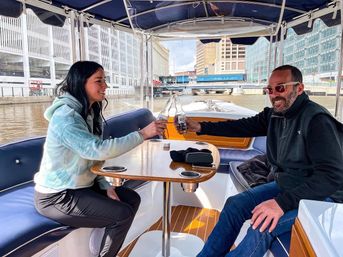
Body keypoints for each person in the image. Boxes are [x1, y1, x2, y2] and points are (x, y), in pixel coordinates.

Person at [185, 65, 343, 257]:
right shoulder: (275, 115)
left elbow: (331, 177)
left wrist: (280, 204)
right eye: (270, 89)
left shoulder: (317, 121)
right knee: (235, 205)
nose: (274, 94)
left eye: (281, 88)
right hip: (289, 185)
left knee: (262, 226)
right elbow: (240, 127)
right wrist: (200, 126)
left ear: (299, 88)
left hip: (322, 199)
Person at [33, 61, 166, 257]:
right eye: (99, 81)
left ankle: (100, 245)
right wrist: (143, 134)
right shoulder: (66, 117)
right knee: (122, 214)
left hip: (80, 186)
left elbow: (89, 160)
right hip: (57, 196)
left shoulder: (88, 111)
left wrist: (105, 184)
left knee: (130, 198)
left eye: (104, 80)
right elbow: (97, 150)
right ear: (81, 83)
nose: (105, 86)